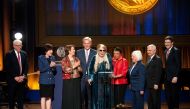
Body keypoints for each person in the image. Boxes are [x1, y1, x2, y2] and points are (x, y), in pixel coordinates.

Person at [5, 39, 28, 109]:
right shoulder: (9, 54)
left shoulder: (24, 54)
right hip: (12, 80)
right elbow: (7, 68)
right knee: (11, 98)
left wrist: (23, 76)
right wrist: (15, 77)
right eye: (18, 45)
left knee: (20, 99)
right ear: (14, 46)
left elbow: (26, 66)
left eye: (21, 45)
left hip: (21, 80)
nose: (20, 47)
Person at [88, 44, 113, 109]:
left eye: (104, 50)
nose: (102, 52)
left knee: (106, 98)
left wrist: (111, 74)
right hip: (97, 82)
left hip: (107, 82)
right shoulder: (94, 57)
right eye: (100, 50)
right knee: (97, 98)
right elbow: (90, 70)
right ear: (97, 51)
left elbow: (112, 69)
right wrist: (90, 78)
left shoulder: (108, 56)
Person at [76, 37, 96, 109]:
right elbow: (76, 63)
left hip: (91, 79)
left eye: (88, 43)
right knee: (81, 97)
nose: (87, 45)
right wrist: (78, 67)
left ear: (91, 44)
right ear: (83, 44)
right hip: (81, 78)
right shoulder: (78, 52)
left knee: (90, 97)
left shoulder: (95, 52)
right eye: (85, 43)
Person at [61, 45, 82, 109]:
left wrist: (79, 68)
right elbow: (66, 70)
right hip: (68, 80)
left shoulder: (76, 58)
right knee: (69, 96)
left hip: (76, 79)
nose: (74, 50)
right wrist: (75, 65)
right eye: (73, 49)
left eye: (74, 49)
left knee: (76, 96)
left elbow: (81, 70)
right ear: (69, 51)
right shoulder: (64, 59)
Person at [164, 36, 181, 109]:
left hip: (174, 78)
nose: (166, 44)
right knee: (168, 96)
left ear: (172, 43)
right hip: (167, 78)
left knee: (174, 96)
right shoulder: (165, 51)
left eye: (168, 42)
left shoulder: (176, 51)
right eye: (165, 42)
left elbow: (178, 65)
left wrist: (176, 76)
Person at [38, 43, 56, 109]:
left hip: (51, 81)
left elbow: (54, 71)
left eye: (52, 50)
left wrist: (54, 67)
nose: (51, 51)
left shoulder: (53, 57)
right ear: (46, 51)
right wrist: (50, 66)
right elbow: (41, 69)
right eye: (50, 50)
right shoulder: (40, 57)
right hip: (43, 81)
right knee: (43, 97)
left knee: (49, 97)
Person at [145, 44, 163, 109]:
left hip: (154, 85)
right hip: (149, 84)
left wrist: (156, 83)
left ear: (154, 51)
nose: (148, 51)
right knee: (150, 101)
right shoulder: (149, 58)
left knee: (156, 101)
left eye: (149, 50)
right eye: (147, 50)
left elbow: (159, 72)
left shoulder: (158, 59)